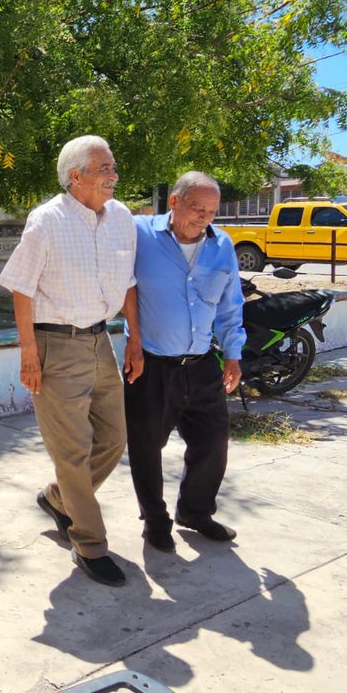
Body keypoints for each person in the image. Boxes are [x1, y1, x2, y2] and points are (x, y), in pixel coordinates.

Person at [0, 135, 140, 587]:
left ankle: (60, 498)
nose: (113, 175)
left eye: (114, 166)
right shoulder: (47, 220)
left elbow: (129, 283)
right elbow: (22, 287)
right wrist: (29, 354)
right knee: (73, 451)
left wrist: (133, 339)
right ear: (75, 176)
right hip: (55, 345)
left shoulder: (122, 218)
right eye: (104, 169)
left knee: (115, 439)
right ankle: (89, 544)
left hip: (102, 342)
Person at [125, 171, 245, 551]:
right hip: (152, 365)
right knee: (146, 447)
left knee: (213, 440)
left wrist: (233, 354)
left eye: (211, 211)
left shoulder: (221, 244)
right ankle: (155, 521)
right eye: (196, 208)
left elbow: (231, 305)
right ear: (174, 202)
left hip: (202, 363)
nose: (204, 218)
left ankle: (195, 512)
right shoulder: (139, 233)